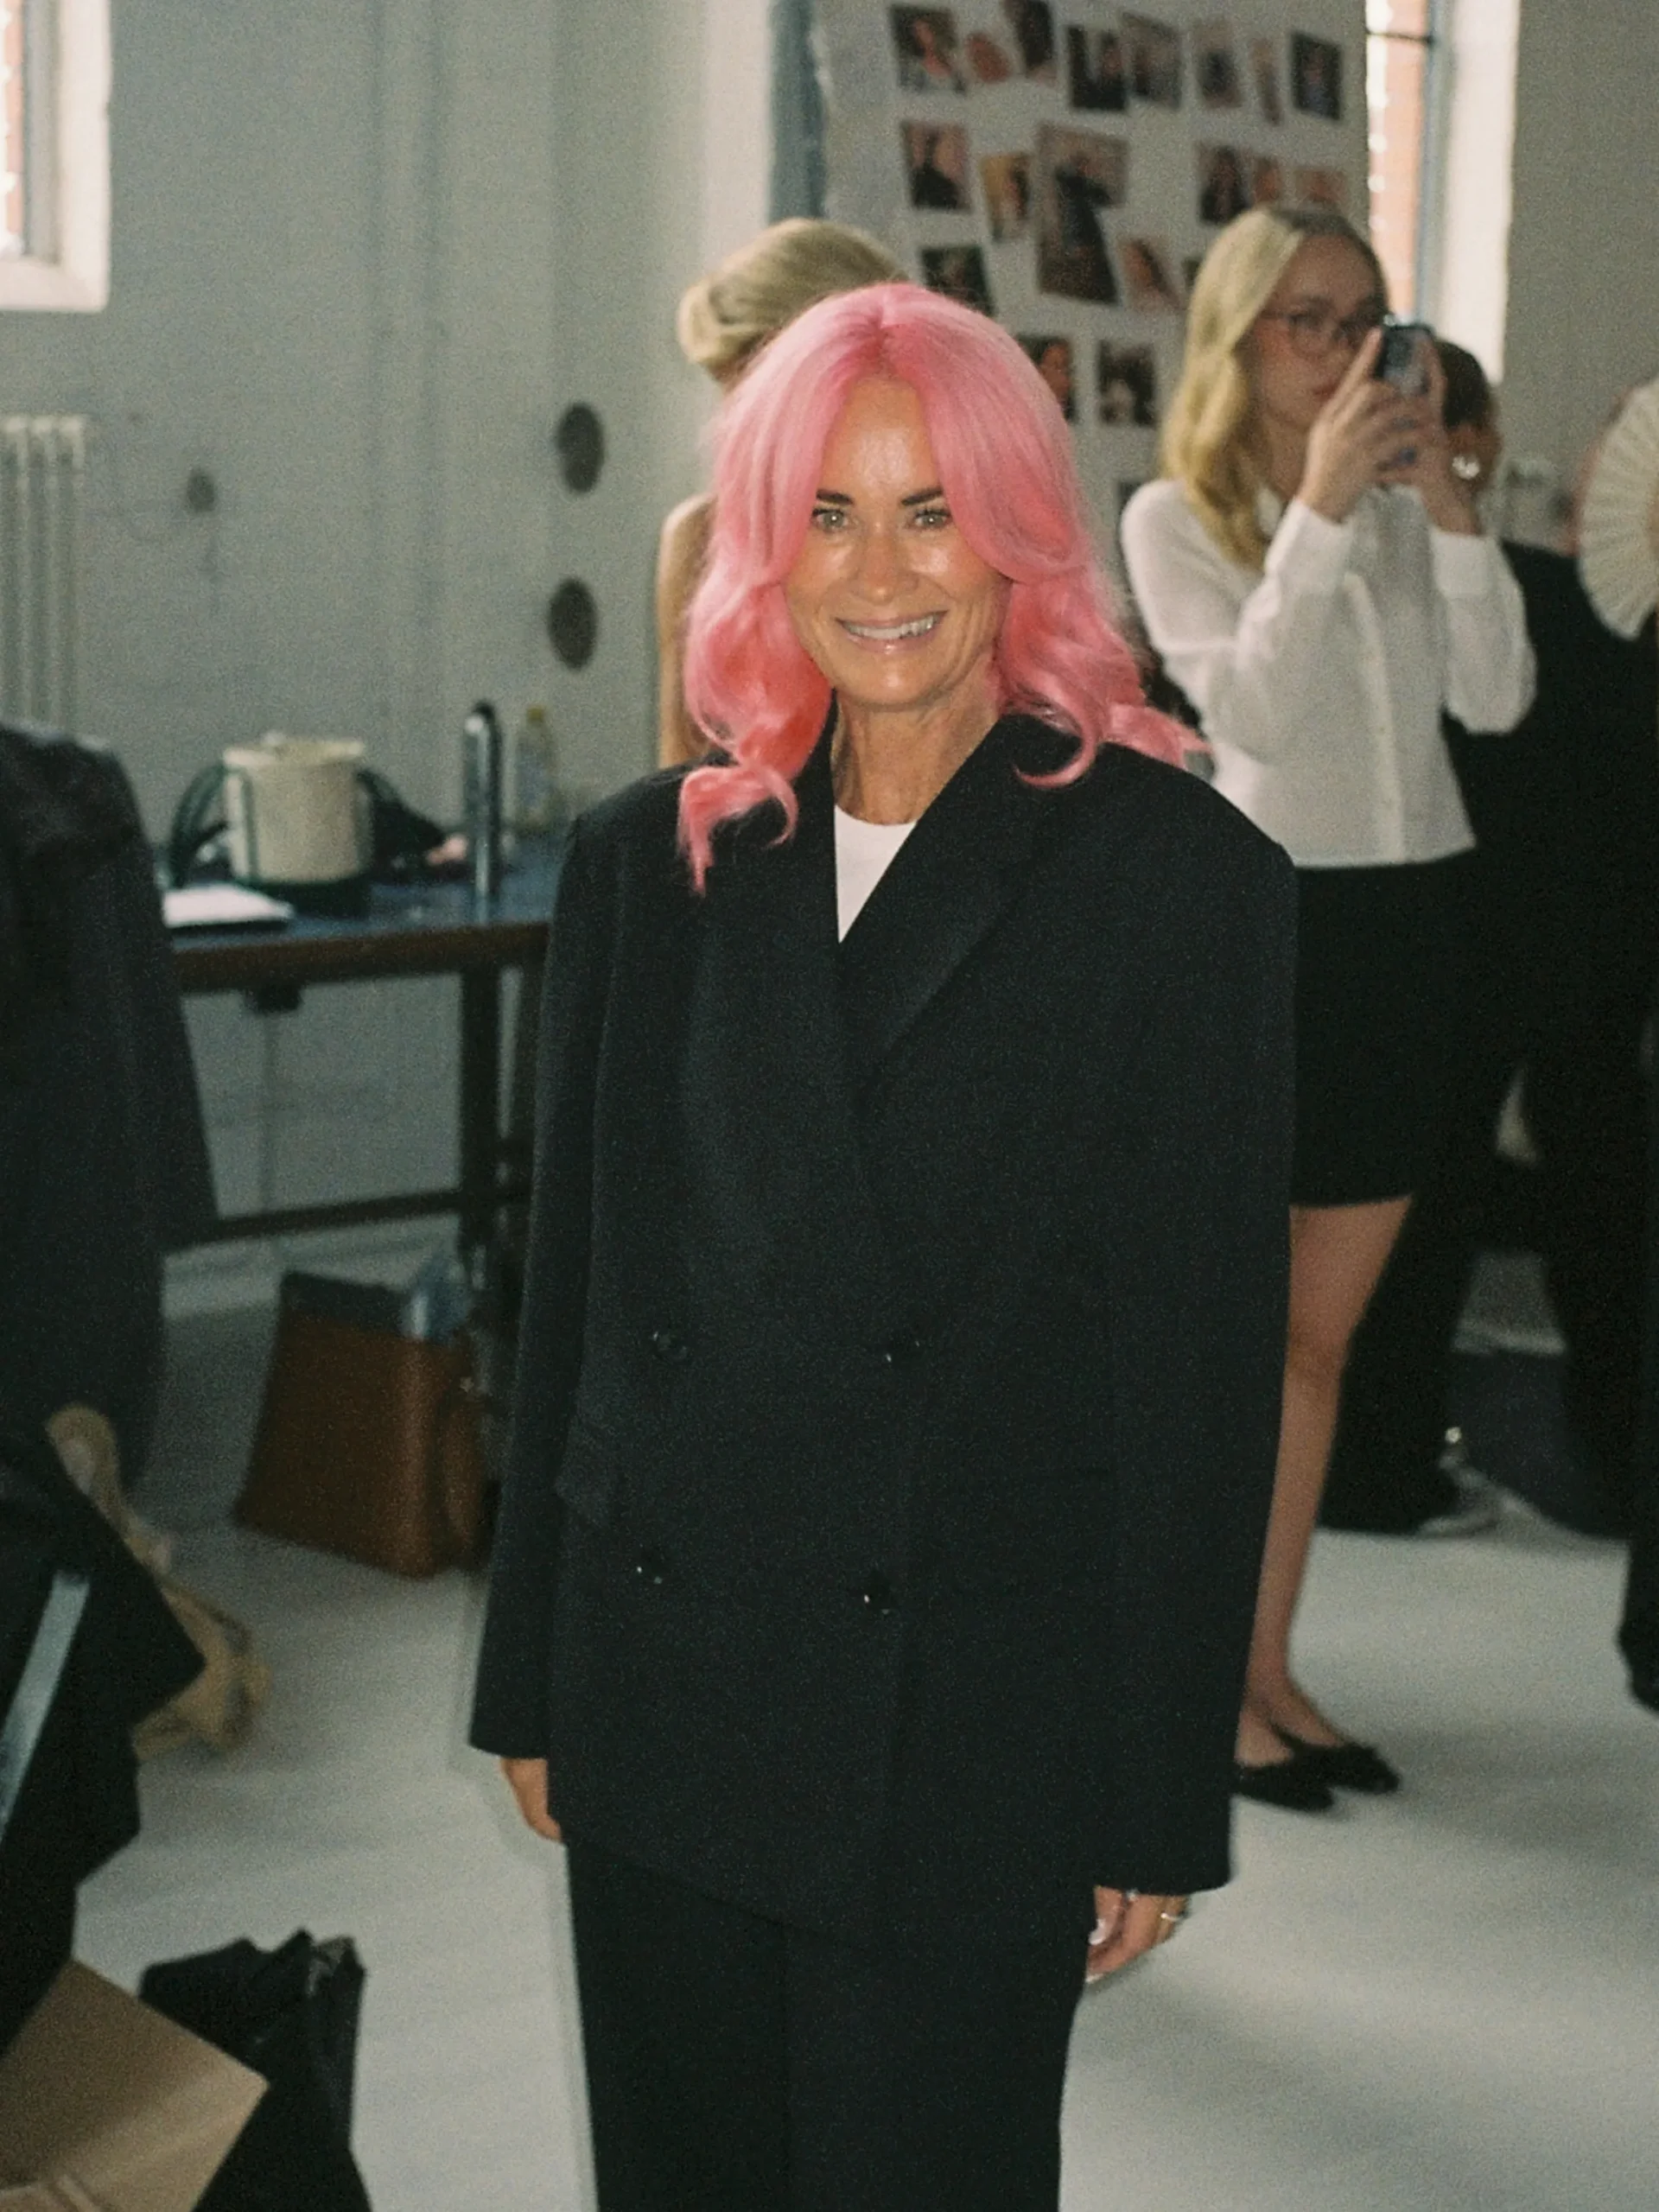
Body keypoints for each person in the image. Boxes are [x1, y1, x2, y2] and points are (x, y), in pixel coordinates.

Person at [472, 282, 1296, 2211]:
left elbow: (1195, 1376)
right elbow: (573, 1292)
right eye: (827, 515)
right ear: (765, 547)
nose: (880, 570)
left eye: (932, 511)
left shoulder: (1179, 883)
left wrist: (1155, 1788)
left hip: (967, 1712)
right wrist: (536, 1677)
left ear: (1019, 535)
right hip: (671, 1676)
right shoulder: (654, 861)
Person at [1121, 209, 1534, 1809]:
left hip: (1412, 925)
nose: (1345, 351)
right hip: (1269, 930)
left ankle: (1268, 1666)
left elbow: (1497, 701)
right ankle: (1190, 1685)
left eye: (1366, 319)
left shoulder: (1404, 512)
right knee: (1229, 1345)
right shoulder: (1177, 517)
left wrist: (1452, 512)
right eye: (1307, 319)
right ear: (1237, 338)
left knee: (1317, 1348)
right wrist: (1316, 516)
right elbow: (1255, 717)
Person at [1325, 344, 1659, 1539]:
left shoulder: (1512, 590)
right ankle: (1599, 1449)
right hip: (1545, 937)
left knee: (1458, 1202)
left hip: (1508, 928)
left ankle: (1395, 1455)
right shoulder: (1500, 588)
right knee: (1551, 1198)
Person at [657, 219, 904, 768]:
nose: (732, 423)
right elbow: (678, 785)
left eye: (745, 390)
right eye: (726, 393)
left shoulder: (954, 537)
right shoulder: (701, 540)